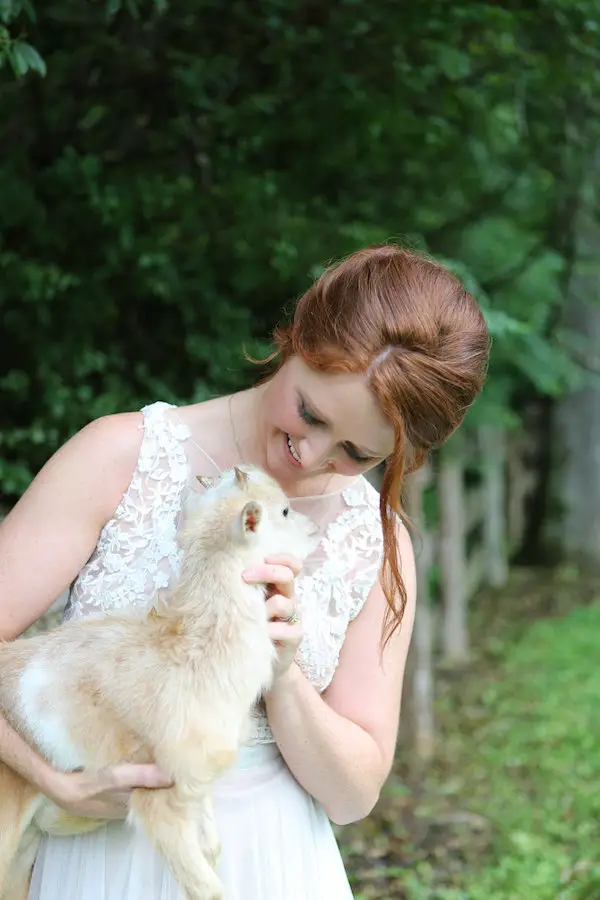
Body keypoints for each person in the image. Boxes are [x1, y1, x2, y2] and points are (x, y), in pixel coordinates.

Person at [0, 244, 489, 899]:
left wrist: (282, 676)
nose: (310, 455)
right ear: (298, 336)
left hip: (277, 866)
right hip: (106, 856)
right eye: (311, 413)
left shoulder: (376, 542)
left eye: (356, 452)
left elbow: (353, 795)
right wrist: (57, 784)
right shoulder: (120, 458)